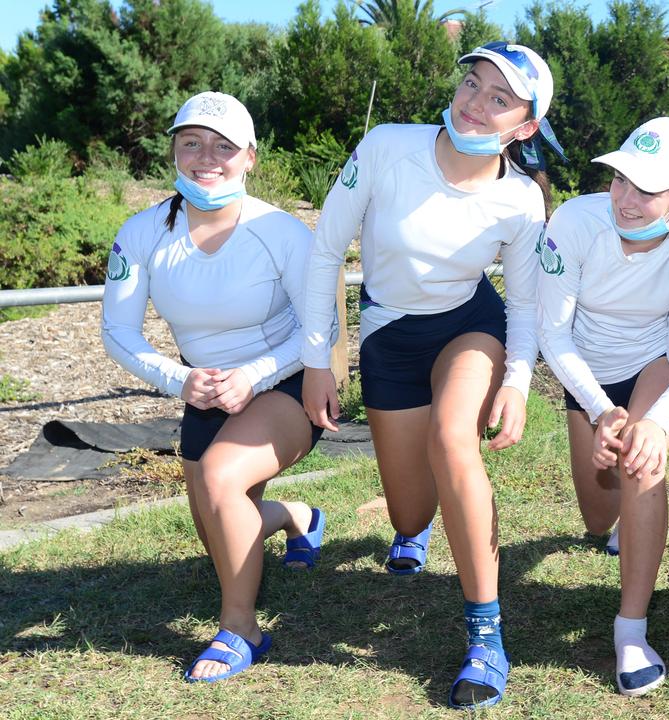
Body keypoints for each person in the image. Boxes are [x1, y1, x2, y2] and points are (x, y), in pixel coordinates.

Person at [300, 42, 563, 710]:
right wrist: (315, 360)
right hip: (389, 337)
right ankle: (410, 532)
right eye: (472, 83)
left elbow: (527, 303)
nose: (475, 103)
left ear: (524, 126)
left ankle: (485, 638)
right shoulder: (388, 146)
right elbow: (325, 249)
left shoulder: (522, 200)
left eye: (499, 99)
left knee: (453, 439)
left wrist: (517, 381)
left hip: (470, 324)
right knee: (410, 509)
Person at [101, 91, 329, 683]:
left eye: (224, 146)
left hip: (284, 379)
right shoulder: (142, 230)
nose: (207, 157)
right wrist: (182, 381)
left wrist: (253, 375)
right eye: (192, 142)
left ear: (250, 157)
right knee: (221, 534)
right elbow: (118, 332)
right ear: (174, 151)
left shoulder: (281, 231)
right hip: (201, 388)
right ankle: (298, 516)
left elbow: (317, 329)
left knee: (224, 479)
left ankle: (240, 630)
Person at [536, 117, 669, 697]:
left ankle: (632, 629)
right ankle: (621, 524)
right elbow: (553, 332)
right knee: (598, 518)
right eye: (621, 179)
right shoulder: (574, 221)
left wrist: (660, 418)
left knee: (641, 464)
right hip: (585, 371)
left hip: (655, 362)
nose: (625, 198)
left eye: (647, 189)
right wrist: (600, 410)